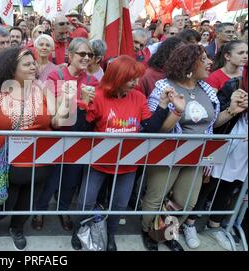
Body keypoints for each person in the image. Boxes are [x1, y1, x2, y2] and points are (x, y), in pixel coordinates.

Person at [0, 47, 73, 251]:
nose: (34, 66)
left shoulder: (42, 89)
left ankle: (17, 228)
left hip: (40, 162)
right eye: (27, 64)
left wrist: (67, 100)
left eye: (33, 63)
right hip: (3, 164)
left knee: (27, 202)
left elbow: (58, 122)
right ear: (12, 69)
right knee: (1, 202)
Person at [141, 44, 247, 251]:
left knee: (186, 201)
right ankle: (149, 233)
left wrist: (232, 111)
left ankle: (165, 232)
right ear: (190, 63)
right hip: (168, 154)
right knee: (156, 197)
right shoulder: (165, 87)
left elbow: (212, 123)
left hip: (198, 156)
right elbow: (159, 130)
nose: (210, 63)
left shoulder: (206, 90)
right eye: (204, 59)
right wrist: (177, 112)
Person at [69, 55, 180, 251]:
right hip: (98, 162)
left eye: (137, 78)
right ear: (117, 77)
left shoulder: (138, 97)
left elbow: (150, 128)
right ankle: (79, 231)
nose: (136, 83)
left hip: (128, 163)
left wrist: (162, 105)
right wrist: (83, 105)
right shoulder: (98, 94)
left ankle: (111, 235)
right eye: (131, 79)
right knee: (86, 200)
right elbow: (80, 130)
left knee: (119, 205)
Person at [33, 38, 99, 232]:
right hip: (56, 136)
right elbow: (54, 109)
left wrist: (83, 104)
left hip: (80, 137)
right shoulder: (56, 75)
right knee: (50, 179)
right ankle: (40, 211)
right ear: (70, 55)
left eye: (89, 54)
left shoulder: (92, 80)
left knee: (70, 180)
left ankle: (63, 210)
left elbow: (94, 112)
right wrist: (81, 102)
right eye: (82, 54)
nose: (86, 57)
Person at [183, 66, 248, 251]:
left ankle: (215, 225)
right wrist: (233, 108)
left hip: (243, 151)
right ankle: (190, 224)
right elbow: (214, 118)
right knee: (207, 183)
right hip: (222, 141)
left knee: (230, 186)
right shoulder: (234, 85)